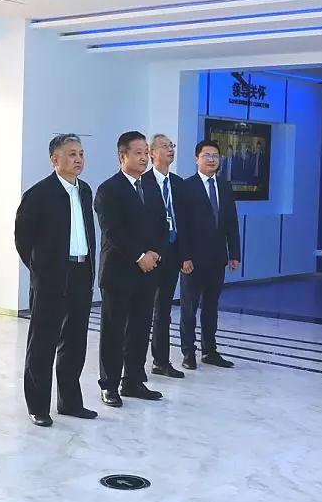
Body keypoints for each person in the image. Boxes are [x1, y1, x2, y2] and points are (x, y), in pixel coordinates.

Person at [15, 134, 98, 427]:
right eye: (72, 153)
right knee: (43, 342)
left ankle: (70, 402)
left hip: (81, 272)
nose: (78, 159)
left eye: (81, 153)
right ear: (55, 159)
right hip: (50, 277)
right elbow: (23, 239)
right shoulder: (39, 194)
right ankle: (38, 406)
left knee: (75, 342)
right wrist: (40, 269)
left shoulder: (84, 190)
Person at [93, 131, 167, 408]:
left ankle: (133, 381)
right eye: (138, 152)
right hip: (119, 272)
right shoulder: (108, 189)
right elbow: (113, 230)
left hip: (148, 271)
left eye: (146, 152)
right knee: (114, 331)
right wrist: (139, 255)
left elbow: (162, 224)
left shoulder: (151, 187)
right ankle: (109, 385)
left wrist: (155, 253)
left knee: (140, 328)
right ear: (122, 156)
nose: (144, 157)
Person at [177, 140, 241, 370]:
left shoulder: (224, 186)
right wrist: (183, 256)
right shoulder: (186, 187)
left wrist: (234, 253)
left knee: (211, 307)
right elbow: (181, 226)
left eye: (215, 155)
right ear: (196, 159)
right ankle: (188, 353)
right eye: (206, 155)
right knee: (189, 308)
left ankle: (210, 350)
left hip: (217, 258)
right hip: (192, 260)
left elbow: (231, 222)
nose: (212, 159)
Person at [142, 134, 187, 379]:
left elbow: (186, 223)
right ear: (151, 153)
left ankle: (161, 361)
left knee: (164, 310)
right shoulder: (143, 182)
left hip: (172, 253)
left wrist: (185, 256)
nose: (170, 149)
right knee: (142, 310)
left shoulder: (178, 184)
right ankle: (135, 365)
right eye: (164, 146)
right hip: (149, 255)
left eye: (172, 146)